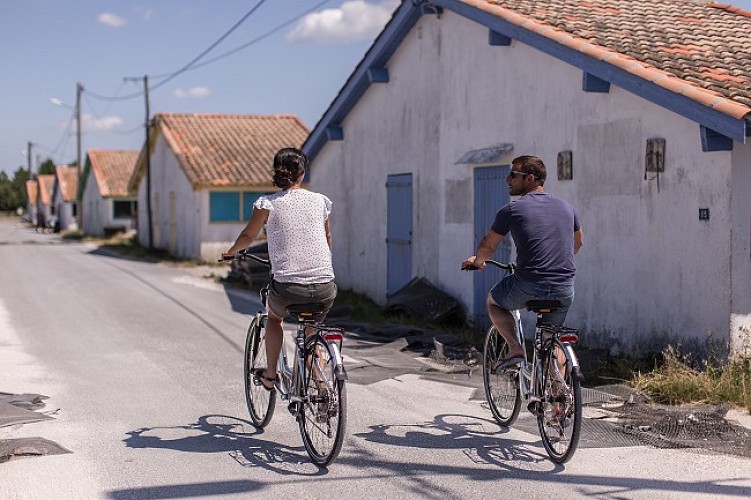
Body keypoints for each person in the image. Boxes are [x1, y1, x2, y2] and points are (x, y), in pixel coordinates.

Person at [223, 147, 337, 390]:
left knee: (274, 318)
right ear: (303, 172)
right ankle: (320, 380)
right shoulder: (320, 201)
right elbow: (328, 238)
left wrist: (230, 253)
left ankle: (271, 376)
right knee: (311, 328)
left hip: (288, 287)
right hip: (325, 285)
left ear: (277, 172)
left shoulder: (267, 203)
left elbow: (247, 236)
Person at [462, 155, 583, 372]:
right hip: (564, 287)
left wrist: (478, 262)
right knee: (552, 337)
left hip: (529, 284)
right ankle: (560, 401)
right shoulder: (567, 207)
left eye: (513, 175)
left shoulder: (512, 210)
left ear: (529, 178)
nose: (507, 180)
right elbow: (578, 242)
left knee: (493, 301)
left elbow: (488, 246)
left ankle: (515, 349)